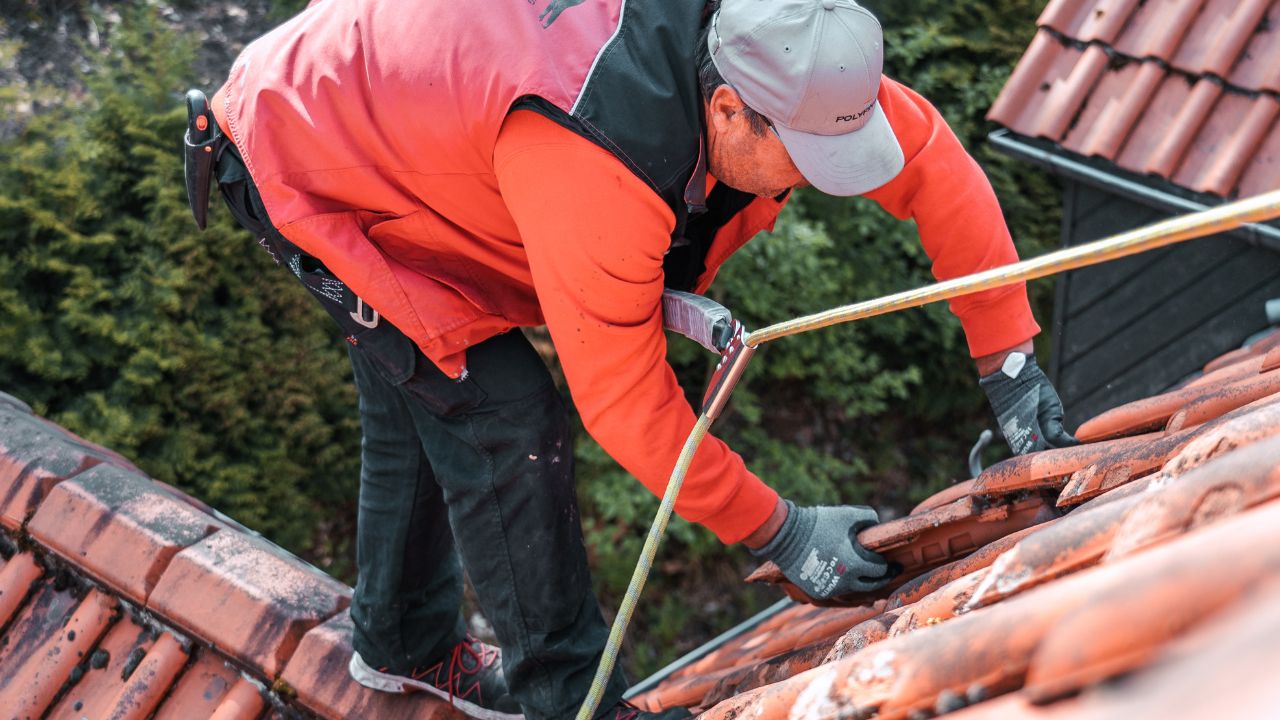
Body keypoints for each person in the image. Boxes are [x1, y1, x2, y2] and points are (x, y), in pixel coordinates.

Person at [199, 0, 1075, 718]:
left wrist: (1009, 363)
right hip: (300, 149)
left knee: (420, 393)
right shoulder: (597, 153)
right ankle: (567, 701)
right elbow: (623, 405)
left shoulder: (792, 53)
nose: (814, 180)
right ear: (727, 110)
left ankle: (400, 644)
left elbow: (932, 166)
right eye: (805, 160)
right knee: (501, 414)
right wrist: (781, 530)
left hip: (403, 118)